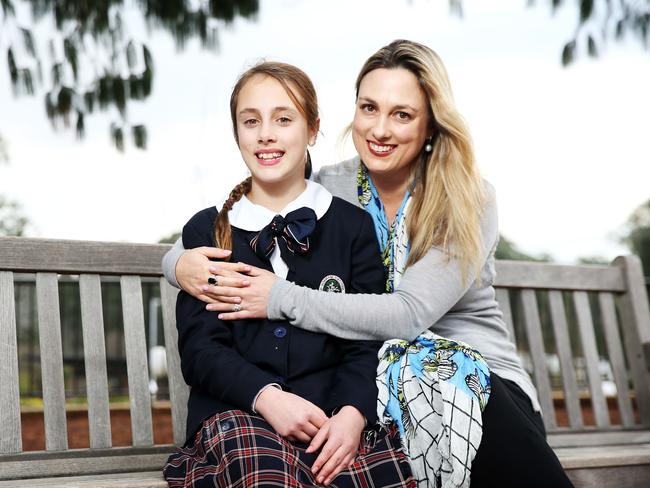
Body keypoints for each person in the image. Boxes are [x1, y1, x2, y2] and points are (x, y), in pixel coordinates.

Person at [163, 41, 574, 487]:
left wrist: (279, 298)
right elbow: (253, 208)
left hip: (473, 379)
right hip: (381, 382)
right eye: (369, 107)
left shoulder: (465, 197)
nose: (380, 129)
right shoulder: (332, 188)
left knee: (423, 364)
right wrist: (178, 263)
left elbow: (407, 316)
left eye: (402, 114)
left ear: (431, 125)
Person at [163, 61, 415, 487]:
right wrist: (268, 399)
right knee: (268, 475)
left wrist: (353, 414)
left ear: (313, 130)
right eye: (251, 121)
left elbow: (367, 340)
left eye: (284, 119)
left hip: (330, 421)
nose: (266, 133)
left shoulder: (351, 229)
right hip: (238, 415)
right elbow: (202, 350)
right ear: (237, 133)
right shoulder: (207, 230)